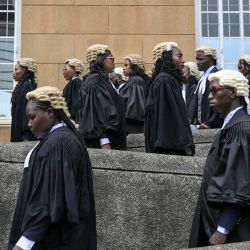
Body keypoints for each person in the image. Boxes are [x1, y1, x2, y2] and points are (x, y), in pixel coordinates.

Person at [8, 86, 97, 250]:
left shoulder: (58, 144)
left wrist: (23, 244)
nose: (29, 124)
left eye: (32, 117)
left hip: (53, 241)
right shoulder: (61, 139)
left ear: (50, 112)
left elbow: (48, 203)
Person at [189, 70, 250, 247]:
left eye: (215, 91)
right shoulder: (231, 125)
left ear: (232, 92)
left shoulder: (241, 129)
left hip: (229, 229)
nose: (209, 96)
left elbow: (238, 184)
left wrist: (223, 229)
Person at [144, 42, 195, 156]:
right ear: (167, 57)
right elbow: (168, 118)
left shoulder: (166, 79)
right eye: (179, 56)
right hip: (168, 147)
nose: (182, 61)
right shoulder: (164, 81)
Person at [77, 44, 127, 150]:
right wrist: (104, 140)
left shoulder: (103, 80)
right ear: (101, 60)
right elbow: (95, 115)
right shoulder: (96, 82)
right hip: (104, 143)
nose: (114, 61)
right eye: (111, 58)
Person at [193, 46, 223, 129]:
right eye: (197, 59)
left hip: (212, 126)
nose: (197, 62)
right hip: (202, 124)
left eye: (201, 59)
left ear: (211, 59)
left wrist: (210, 122)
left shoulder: (217, 75)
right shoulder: (203, 76)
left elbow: (220, 101)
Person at [119, 54, 148, 134]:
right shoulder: (134, 80)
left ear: (134, 67)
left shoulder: (135, 81)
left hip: (134, 126)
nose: (123, 68)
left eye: (126, 65)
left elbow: (135, 109)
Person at [11, 58, 38, 142]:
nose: (13, 73)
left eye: (16, 69)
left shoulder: (26, 86)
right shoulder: (21, 86)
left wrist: (26, 136)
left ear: (24, 71)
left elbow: (26, 113)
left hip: (24, 137)